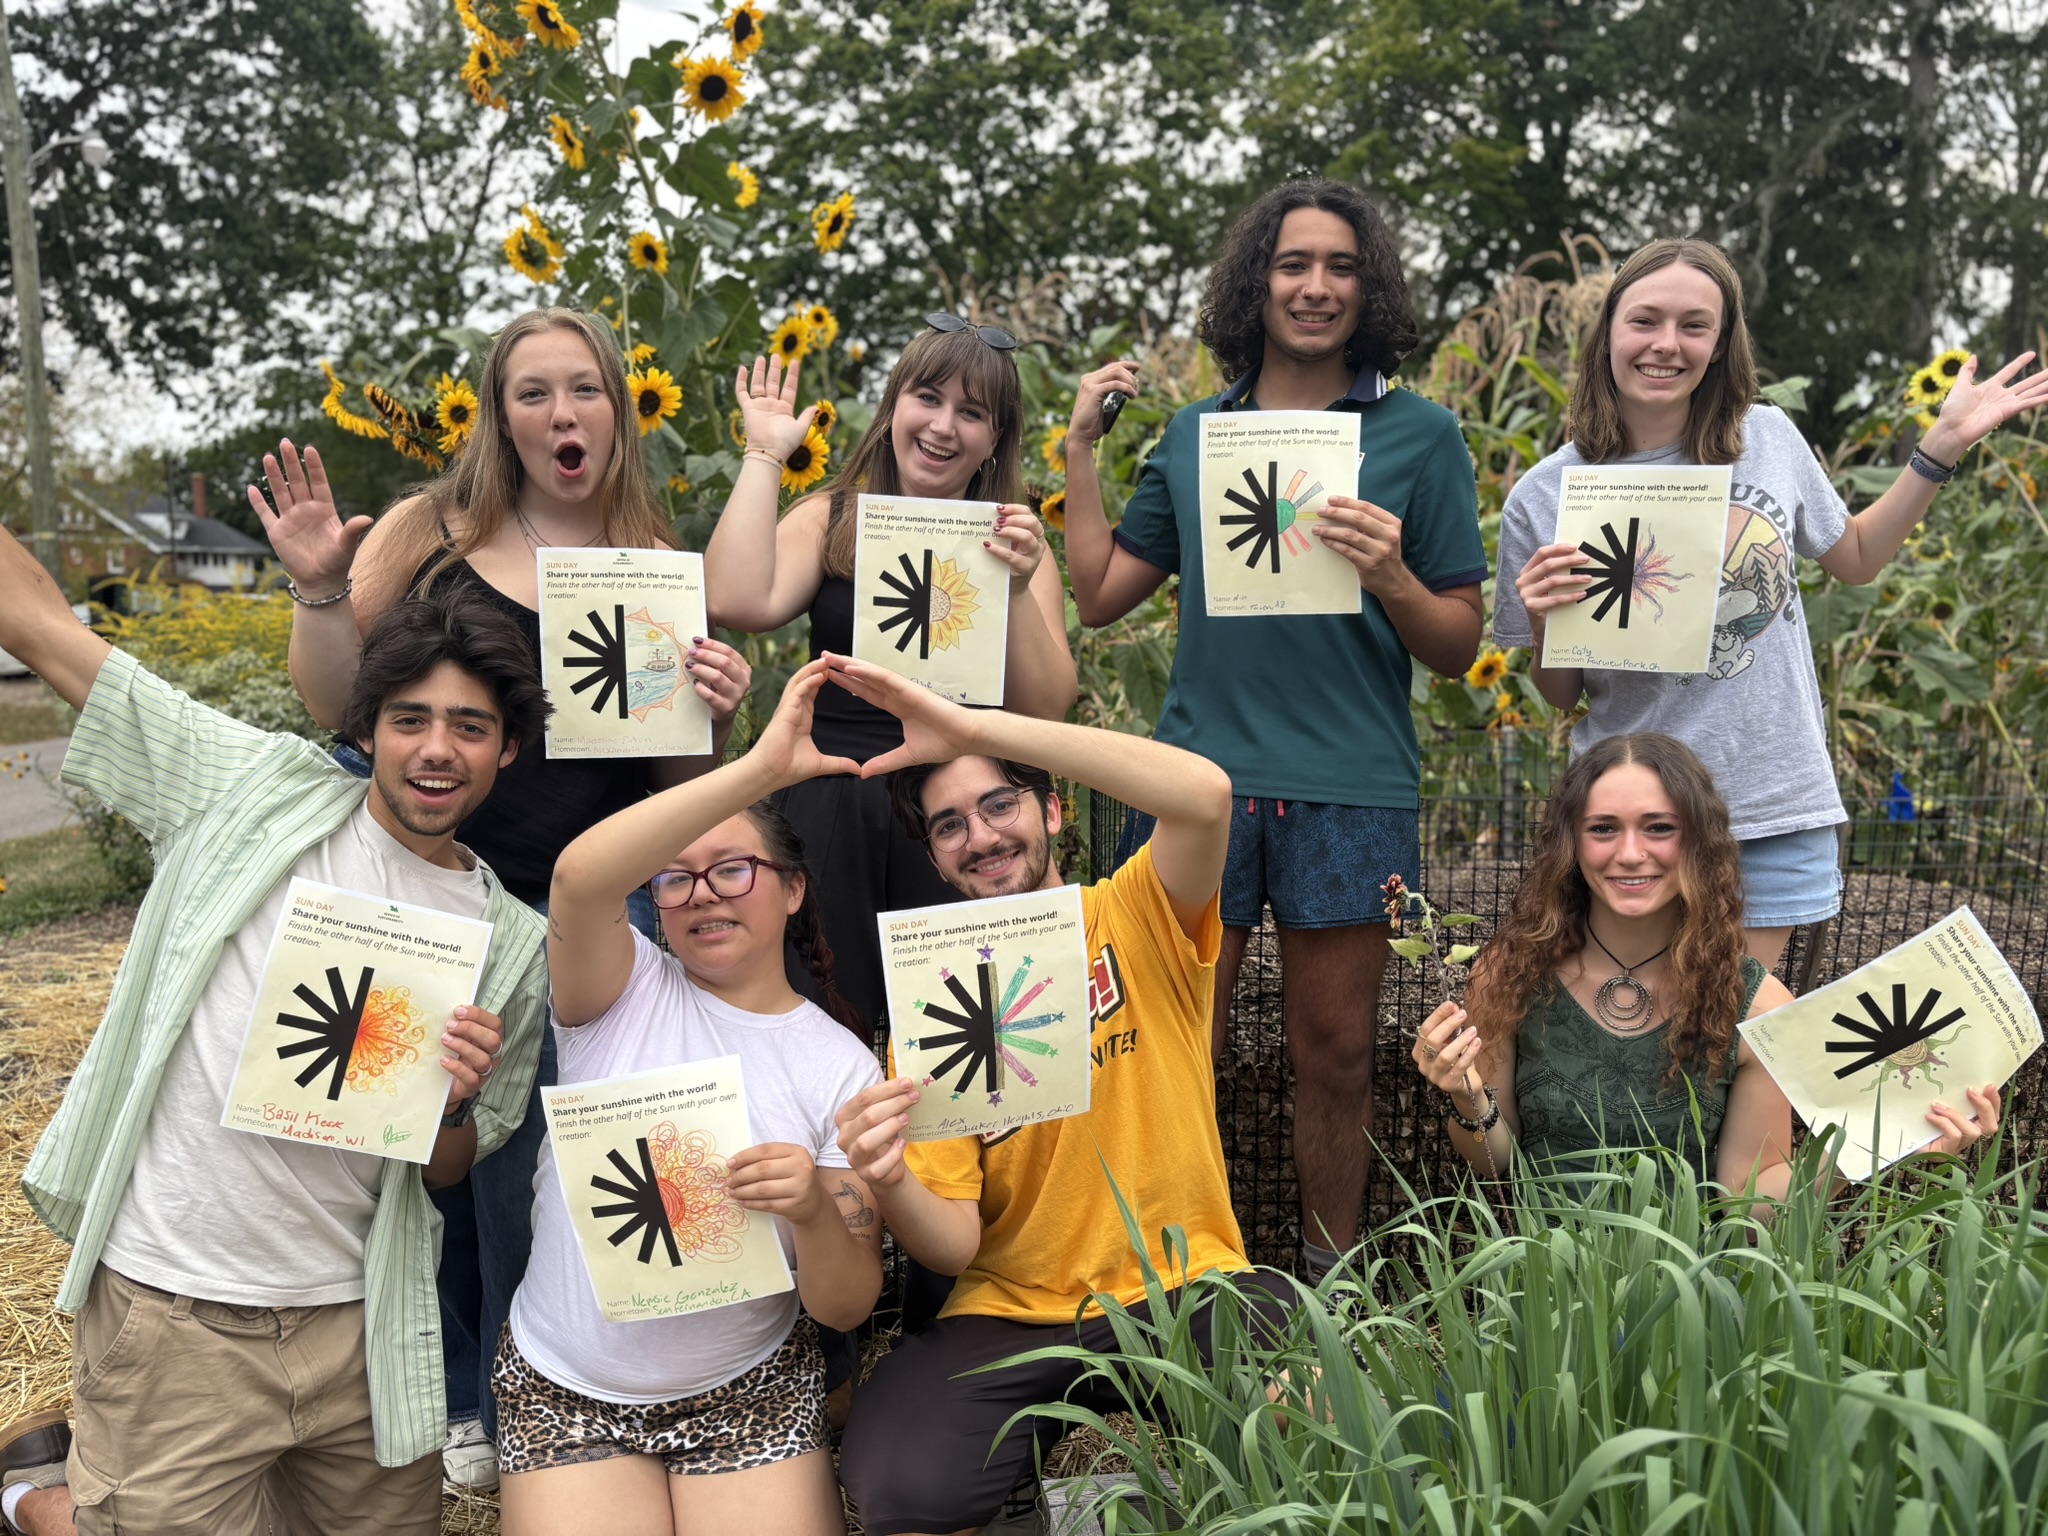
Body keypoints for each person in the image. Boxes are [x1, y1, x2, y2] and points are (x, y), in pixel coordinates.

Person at [248, 306, 752, 1488]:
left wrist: (713, 713)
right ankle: (467, 1390)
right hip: (439, 889)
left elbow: (670, 780)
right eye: (533, 393)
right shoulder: (433, 530)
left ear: (617, 414)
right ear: (499, 413)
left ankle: (575, 1376)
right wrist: (320, 592)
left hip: (589, 904)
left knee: (564, 1152)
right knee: (444, 1142)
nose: (561, 414)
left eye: (584, 390)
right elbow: (337, 707)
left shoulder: (647, 557)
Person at [0, 520, 551, 1536]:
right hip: (179, 1309)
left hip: (363, 1327)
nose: (436, 749)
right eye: (409, 719)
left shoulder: (510, 943)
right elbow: (38, 627)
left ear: (506, 750)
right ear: (369, 725)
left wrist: (455, 1101)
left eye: (470, 728)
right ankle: (41, 1504)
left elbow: (446, 1169)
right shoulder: (253, 792)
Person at [1062, 179, 1488, 1279]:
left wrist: (1390, 572)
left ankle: (1325, 1286)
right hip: (1198, 787)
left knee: (1337, 1056)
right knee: (1166, 1053)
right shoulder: (1197, 436)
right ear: (1255, 284)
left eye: (1340, 267)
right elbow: (1103, 591)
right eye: (1292, 264)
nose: (1314, 287)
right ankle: (1169, 1277)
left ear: (1368, 288)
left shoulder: (1420, 438)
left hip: (1351, 785)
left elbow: (1452, 642)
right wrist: (1076, 452)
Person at [1493, 238, 2048, 973]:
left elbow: (1854, 557)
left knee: (1738, 1041)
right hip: (1633, 817)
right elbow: (1564, 696)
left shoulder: (1768, 440)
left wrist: (1939, 447)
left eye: (1695, 325)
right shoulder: (1545, 493)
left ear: (1722, 344)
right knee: (1642, 1037)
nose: (1667, 344)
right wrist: (1542, 621)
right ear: (1609, 334)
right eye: (1645, 320)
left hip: (1771, 797)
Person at [821, 651, 1265, 1536]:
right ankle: (1036, 1507)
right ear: (938, 863)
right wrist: (890, 1176)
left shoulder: (1137, 910)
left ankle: (1165, 1507)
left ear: (1052, 808)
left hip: (1190, 1284)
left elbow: (1206, 795)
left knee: (1316, 1415)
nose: (981, 837)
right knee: (898, 1491)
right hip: (1015, 1310)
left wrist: (973, 726)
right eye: (949, 827)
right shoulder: (933, 993)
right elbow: (950, 1243)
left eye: (1000, 803)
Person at [494, 661, 883, 1536]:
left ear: (791, 890)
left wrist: (818, 1211)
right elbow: (580, 879)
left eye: (734, 870)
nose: (702, 890)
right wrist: (758, 772)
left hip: (746, 1387)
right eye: (675, 877)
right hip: (568, 1386)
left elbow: (848, 1304)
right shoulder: (619, 988)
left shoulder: (841, 1067)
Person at [1410, 732, 2002, 1196]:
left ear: (1698, 843)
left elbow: (1749, 1198)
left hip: (1691, 1310)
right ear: (1571, 842)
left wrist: (1873, 1153)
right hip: (1545, 1296)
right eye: (1603, 829)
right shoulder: (1508, 976)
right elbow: (1500, 1170)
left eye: (1659, 828)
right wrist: (1470, 1101)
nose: (1631, 853)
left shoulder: (1758, 1005)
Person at [704, 322, 1079, 1040]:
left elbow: (1045, 708)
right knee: (817, 1028)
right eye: (927, 398)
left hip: (958, 815)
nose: (943, 427)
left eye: (971, 413)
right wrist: (763, 454)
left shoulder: (1016, 542)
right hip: (832, 799)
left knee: (964, 1036)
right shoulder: (833, 518)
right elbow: (734, 599)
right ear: (892, 407)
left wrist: (1017, 584)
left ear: (995, 437)